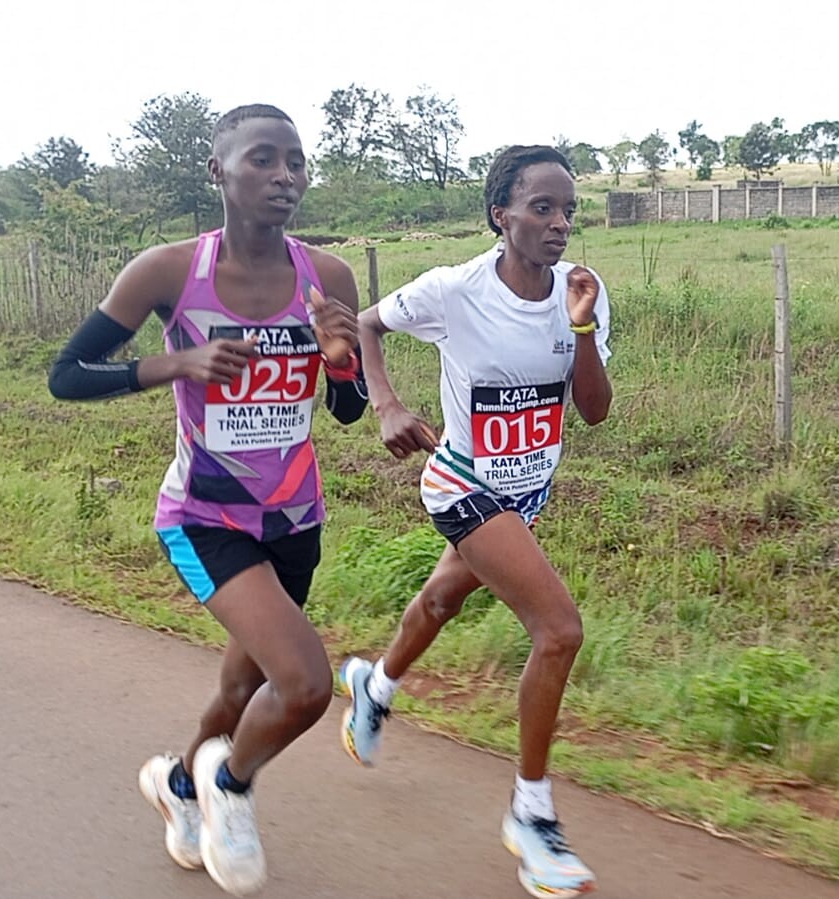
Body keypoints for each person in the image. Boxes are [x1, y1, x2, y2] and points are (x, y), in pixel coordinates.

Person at [47, 103, 367, 897]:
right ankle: (231, 785)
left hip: (295, 518)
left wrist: (338, 361)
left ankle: (179, 784)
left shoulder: (327, 276)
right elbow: (66, 375)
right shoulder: (167, 271)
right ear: (217, 169)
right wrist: (175, 364)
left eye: (296, 161)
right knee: (304, 684)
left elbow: (349, 409)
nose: (285, 175)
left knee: (241, 688)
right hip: (204, 516)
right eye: (263, 158)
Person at [339, 145, 612, 898]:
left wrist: (582, 328)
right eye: (541, 208)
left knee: (440, 601)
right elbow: (365, 324)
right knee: (559, 630)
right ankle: (532, 814)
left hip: (525, 493)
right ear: (501, 215)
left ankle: (374, 686)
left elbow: (593, 411)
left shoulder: (582, 290)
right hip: (460, 482)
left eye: (568, 211)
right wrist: (386, 404)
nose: (559, 224)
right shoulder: (454, 289)